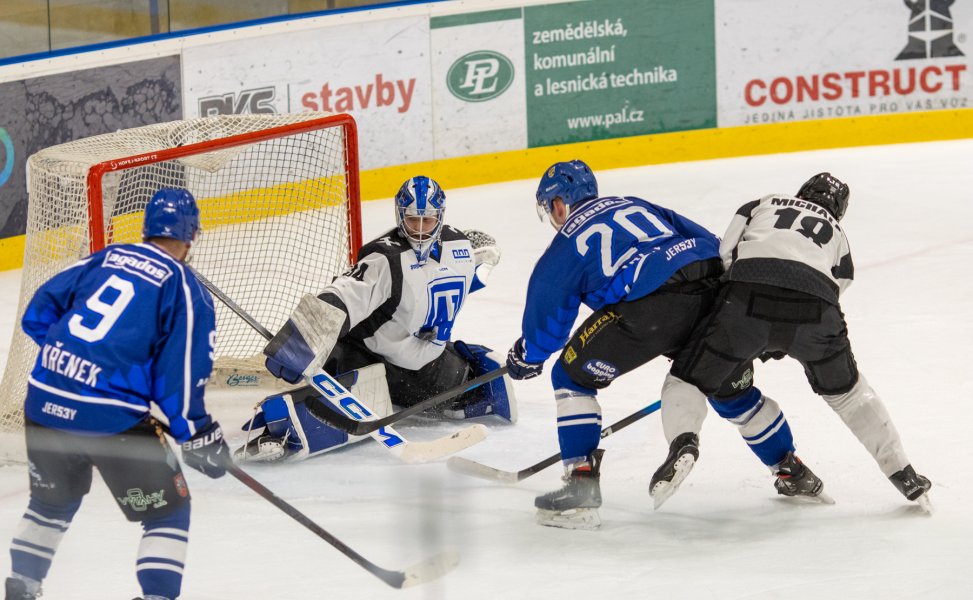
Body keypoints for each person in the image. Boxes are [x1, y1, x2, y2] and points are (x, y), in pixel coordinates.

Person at [5, 188, 229, 600]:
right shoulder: (183, 286)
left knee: (51, 506)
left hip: (44, 400)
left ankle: (22, 587)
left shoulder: (104, 257)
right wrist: (198, 431)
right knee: (168, 513)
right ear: (191, 235)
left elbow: (38, 312)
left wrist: (74, 364)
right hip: (108, 422)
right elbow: (179, 375)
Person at [665, 173, 931, 507]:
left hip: (746, 301)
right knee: (849, 395)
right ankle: (903, 473)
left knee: (686, 378)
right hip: (816, 314)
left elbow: (727, 256)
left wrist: (751, 328)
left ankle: (683, 442)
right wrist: (784, 333)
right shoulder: (838, 232)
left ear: (803, 192)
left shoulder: (762, 203)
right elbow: (838, 287)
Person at [504, 159, 724, 529]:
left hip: (652, 308)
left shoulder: (566, 243)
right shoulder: (635, 203)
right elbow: (710, 241)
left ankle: (581, 487)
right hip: (709, 290)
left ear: (559, 203)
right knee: (724, 372)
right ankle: (787, 466)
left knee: (570, 376)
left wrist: (527, 355)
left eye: (551, 207)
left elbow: (549, 329)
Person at [241, 175, 516, 461]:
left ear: (440, 218)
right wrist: (299, 342)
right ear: (400, 216)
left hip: (416, 373)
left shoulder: (430, 253)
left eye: (427, 221)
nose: (420, 231)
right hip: (400, 366)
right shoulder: (395, 256)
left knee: (353, 373)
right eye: (412, 220)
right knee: (347, 359)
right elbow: (344, 295)